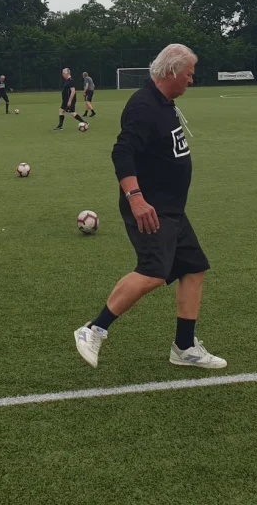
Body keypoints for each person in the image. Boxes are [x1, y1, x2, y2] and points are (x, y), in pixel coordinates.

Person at [74, 43, 226, 370]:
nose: (191, 80)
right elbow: (122, 153)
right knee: (153, 272)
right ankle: (93, 329)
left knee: (193, 267)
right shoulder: (144, 107)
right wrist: (136, 198)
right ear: (171, 72)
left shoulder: (164, 102)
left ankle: (184, 347)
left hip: (171, 208)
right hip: (149, 207)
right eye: (189, 74)